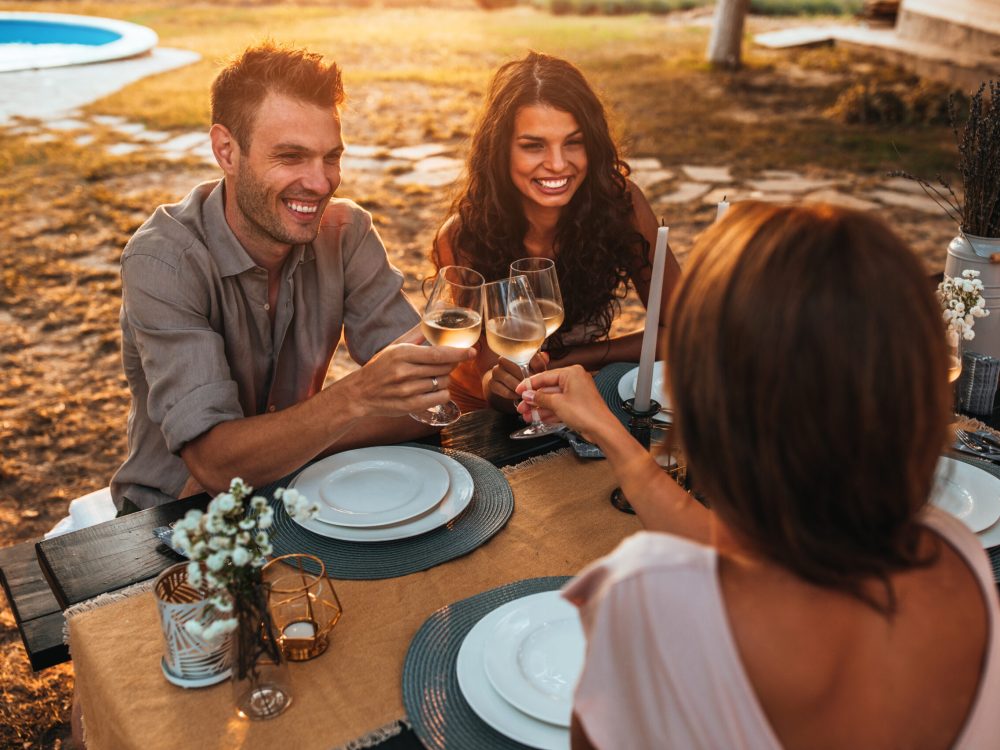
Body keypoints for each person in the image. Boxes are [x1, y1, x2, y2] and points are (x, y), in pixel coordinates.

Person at [517, 202, 1000, 749]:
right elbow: (752, 555)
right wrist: (611, 433)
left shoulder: (645, 596)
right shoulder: (956, 554)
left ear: (708, 398)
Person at [109, 43, 472, 512]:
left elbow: (422, 408)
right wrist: (358, 398)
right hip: (172, 514)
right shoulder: (163, 261)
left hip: (302, 491)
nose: (321, 183)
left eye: (330, 157)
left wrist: (276, 451)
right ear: (226, 151)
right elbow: (216, 466)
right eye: (291, 157)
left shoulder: (347, 232)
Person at [432, 51, 681, 414]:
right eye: (533, 145)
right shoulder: (464, 236)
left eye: (573, 142)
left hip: (580, 387)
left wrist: (570, 359)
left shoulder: (619, 203)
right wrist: (498, 384)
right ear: (500, 151)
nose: (558, 164)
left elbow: (687, 332)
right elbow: (493, 376)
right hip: (482, 412)